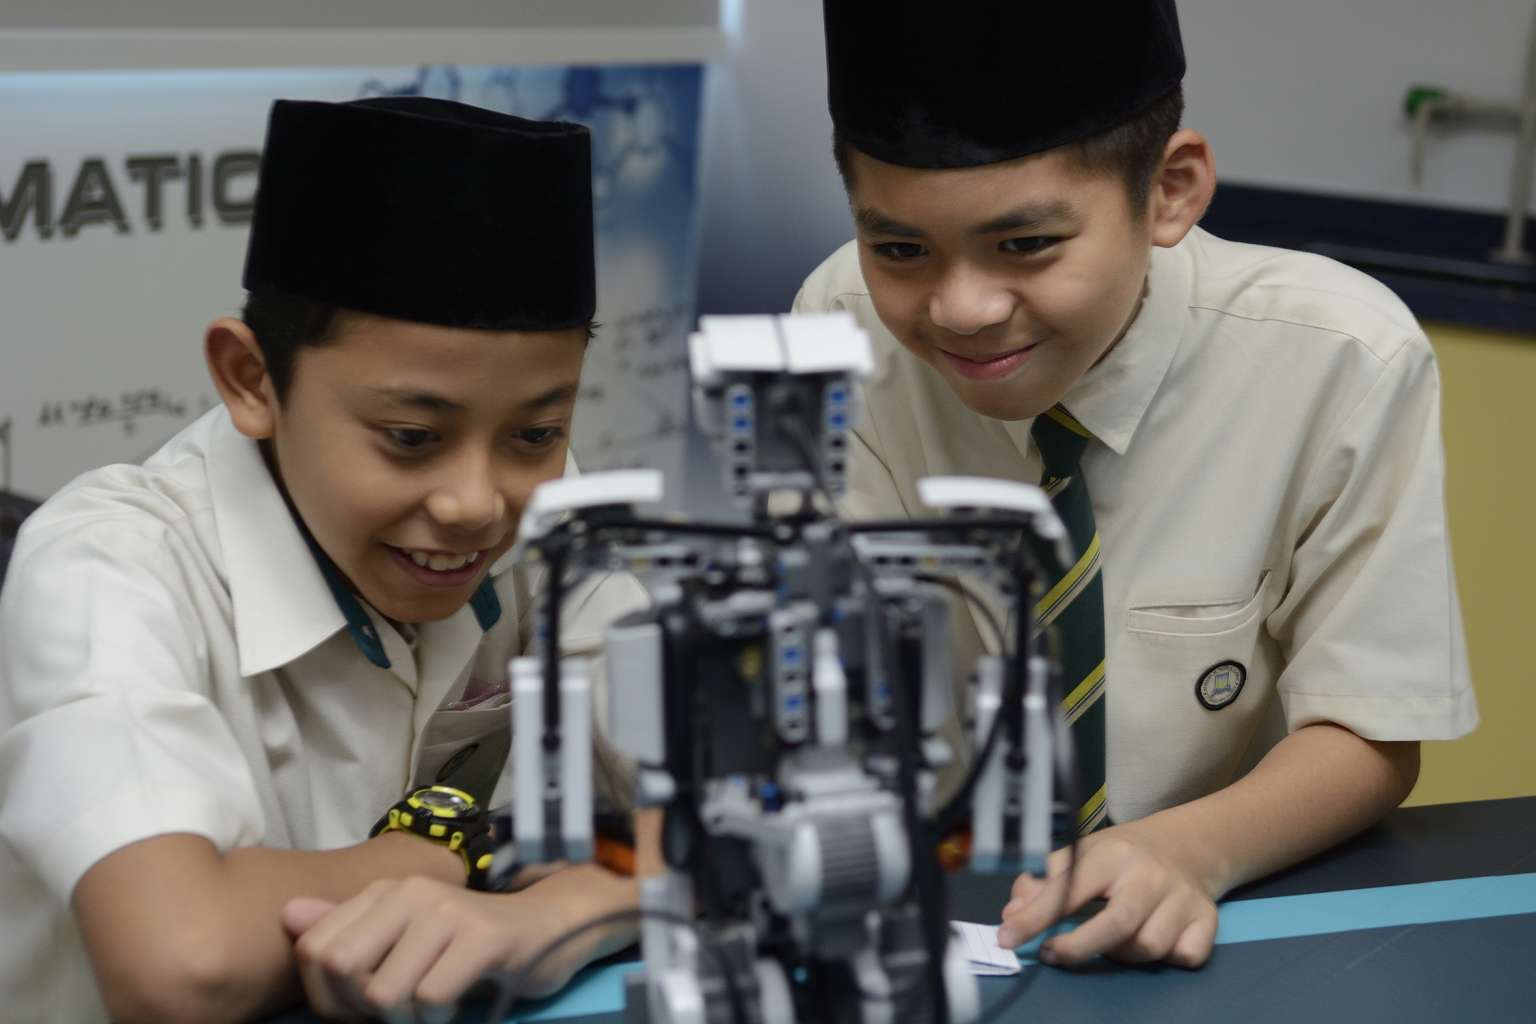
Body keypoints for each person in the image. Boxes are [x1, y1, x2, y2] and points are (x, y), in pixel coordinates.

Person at [794, 0, 1478, 969]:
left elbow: (1369, 729)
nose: (962, 308)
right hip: (940, 914)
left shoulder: (1342, 358)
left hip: (1218, 912)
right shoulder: (837, 327)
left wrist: (1191, 850)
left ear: (1170, 190)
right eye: (900, 250)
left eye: (1026, 245)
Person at [0, 96, 646, 1023]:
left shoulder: (541, 514)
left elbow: (741, 816)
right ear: (251, 380)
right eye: (411, 437)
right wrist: (449, 847)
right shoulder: (110, 566)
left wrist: (557, 912)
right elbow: (183, 961)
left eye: (537, 432)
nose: (477, 503)